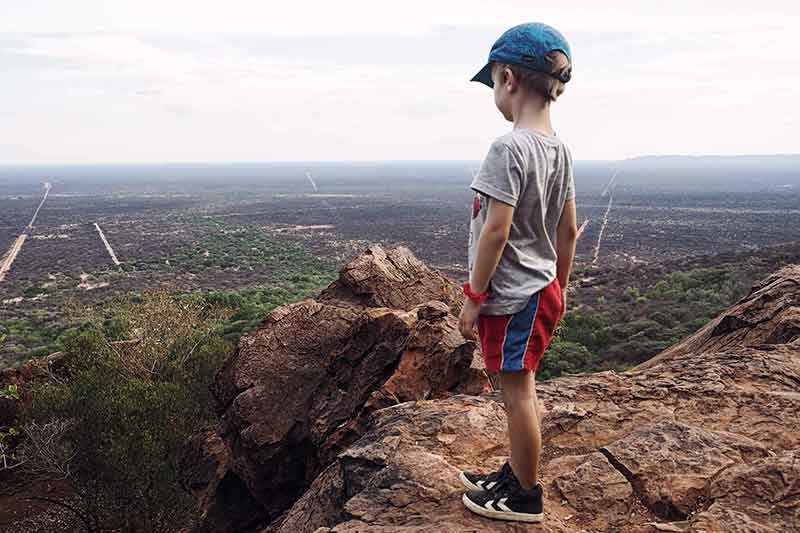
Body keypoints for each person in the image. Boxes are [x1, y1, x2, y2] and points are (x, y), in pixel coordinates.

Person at [457, 22, 579, 523]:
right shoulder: (560, 150)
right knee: (520, 389)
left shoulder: (508, 149)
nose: (495, 96)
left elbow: (495, 231)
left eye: (492, 85)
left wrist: (473, 294)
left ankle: (525, 496)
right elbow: (568, 230)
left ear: (507, 77)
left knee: (518, 394)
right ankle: (516, 471)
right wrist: (562, 288)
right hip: (542, 287)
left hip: (512, 296)